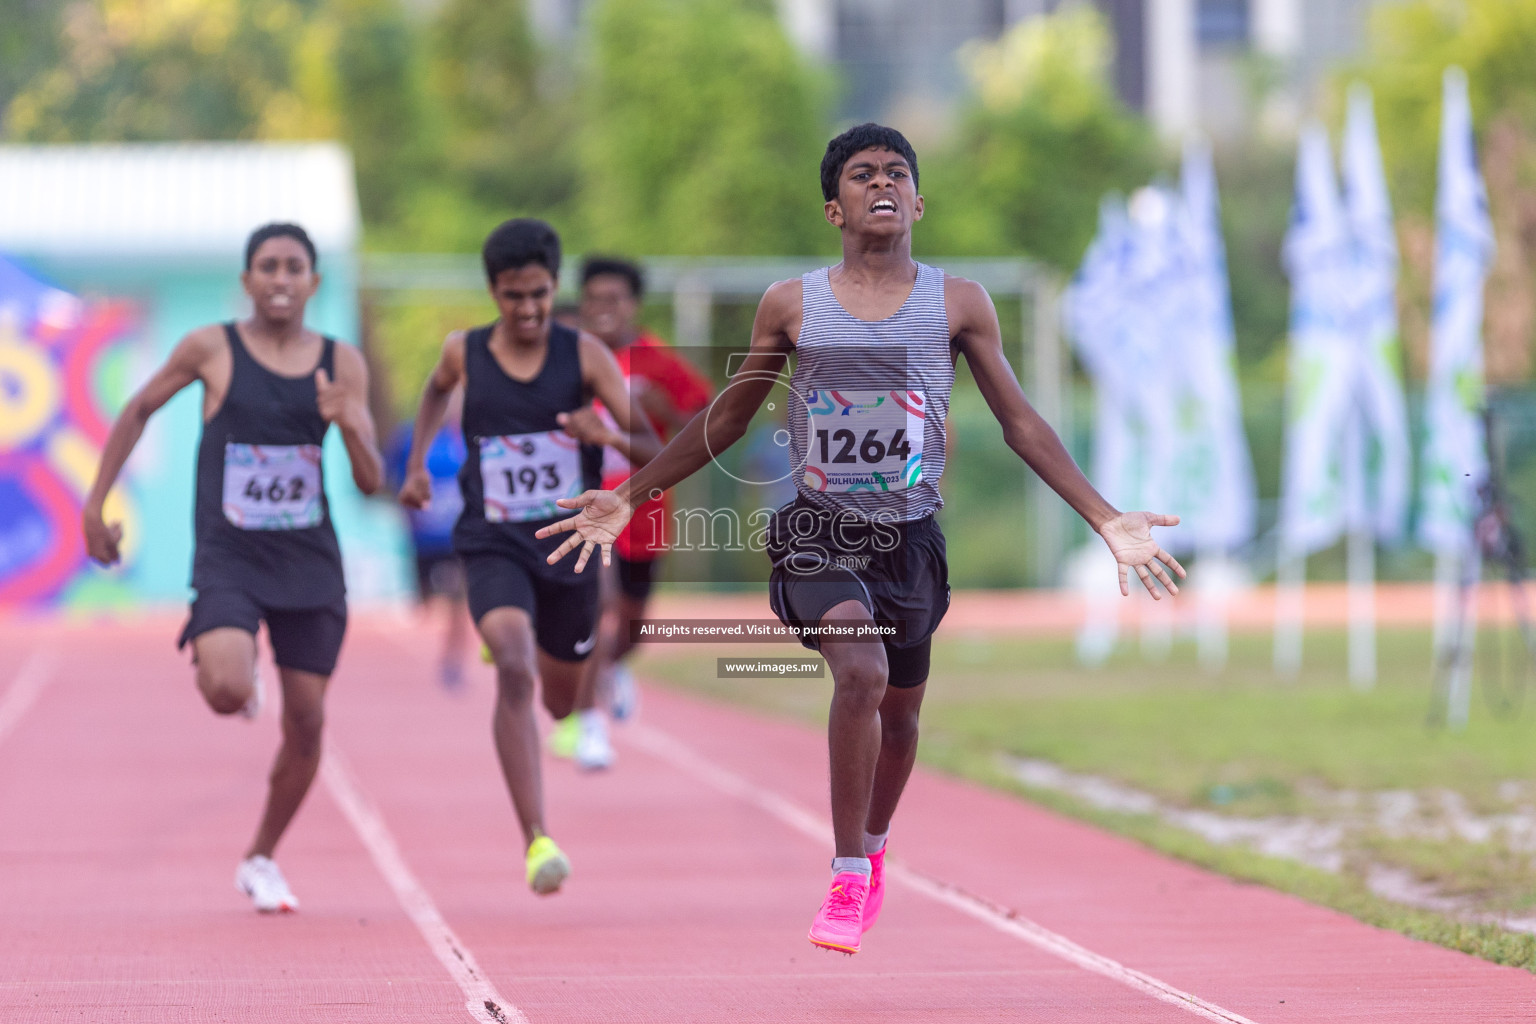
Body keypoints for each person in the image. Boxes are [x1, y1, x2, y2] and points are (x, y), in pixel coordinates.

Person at [536, 124, 1184, 953]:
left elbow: (1020, 420)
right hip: (817, 532)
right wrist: (631, 494)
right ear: (833, 208)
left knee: (903, 719)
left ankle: (874, 847)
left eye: (896, 173)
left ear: (918, 201)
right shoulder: (792, 304)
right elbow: (728, 416)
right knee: (861, 668)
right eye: (860, 175)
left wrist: (1103, 516)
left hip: (910, 541)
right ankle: (844, 878)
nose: (880, 184)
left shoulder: (960, 303)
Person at [82, 222, 383, 913]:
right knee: (222, 687)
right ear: (247, 281)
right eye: (268, 267)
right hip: (231, 554)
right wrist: (95, 503)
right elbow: (139, 408)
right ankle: (241, 678)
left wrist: (351, 425)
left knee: (306, 723)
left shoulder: (343, 363)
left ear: (314, 282)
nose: (281, 279)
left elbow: (369, 484)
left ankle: (261, 856)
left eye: (294, 267)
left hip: (309, 559)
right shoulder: (211, 347)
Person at [398, 218, 659, 896]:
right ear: (494, 291)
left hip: (569, 544)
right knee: (513, 665)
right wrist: (421, 462)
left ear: (554, 285)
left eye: (540, 293)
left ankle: (523, 646)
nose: (528, 309)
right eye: (513, 296)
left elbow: (656, 451)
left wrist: (600, 431)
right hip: (493, 539)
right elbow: (432, 390)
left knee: (561, 699)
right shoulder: (466, 352)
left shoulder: (586, 357)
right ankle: (537, 838)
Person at [556, 256, 712, 765]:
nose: (603, 309)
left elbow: (705, 421)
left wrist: (660, 412)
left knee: (630, 629)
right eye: (594, 299)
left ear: (633, 305)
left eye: (614, 299)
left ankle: (612, 667)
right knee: (601, 614)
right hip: (585, 505)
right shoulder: (569, 359)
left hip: (642, 505)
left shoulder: (659, 362)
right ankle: (589, 726)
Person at [386, 390, 469, 690]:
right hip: (422, 538)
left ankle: (454, 658)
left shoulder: (467, 438)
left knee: (458, 596)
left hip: (456, 537)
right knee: (425, 604)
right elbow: (393, 477)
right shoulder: (410, 438)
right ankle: (407, 662)